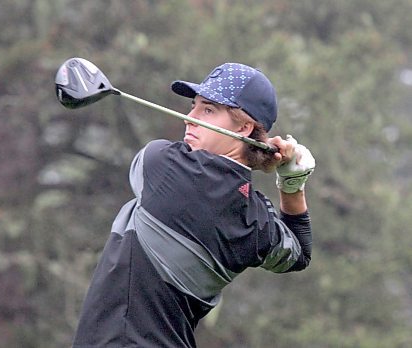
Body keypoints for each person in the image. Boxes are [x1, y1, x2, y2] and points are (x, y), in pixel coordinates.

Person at [72, 63, 315, 348]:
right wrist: (291, 182)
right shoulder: (257, 220)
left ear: (244, 127)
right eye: (193, 106)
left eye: (208, 110)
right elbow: (300, 252)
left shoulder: (159, 163)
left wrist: (262, 160)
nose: (190, 118)